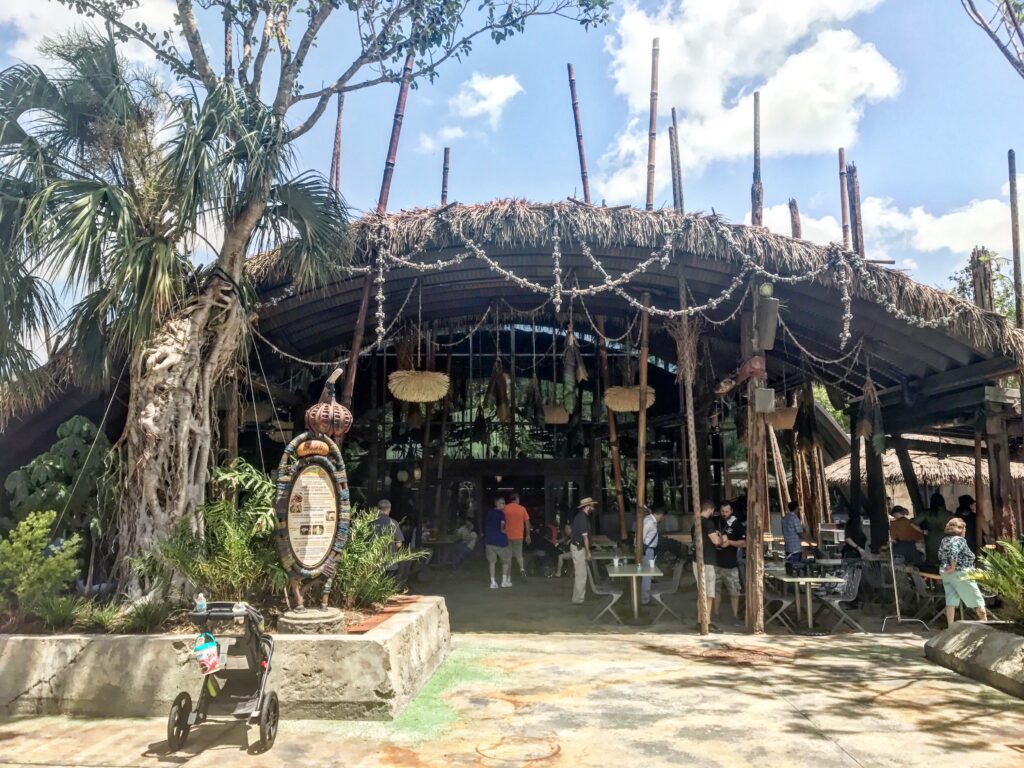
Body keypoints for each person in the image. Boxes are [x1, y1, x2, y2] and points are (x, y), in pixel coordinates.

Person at [937, 516, 987, 627]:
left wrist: (948, 567)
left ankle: (950, 626)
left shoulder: (944, 540)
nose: (965, 531)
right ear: (960, 529)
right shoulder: (959, 540)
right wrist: (953, 566)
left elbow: (940, 555)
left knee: (950, 600)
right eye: (964, 529)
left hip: (946, 573)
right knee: (978, 601)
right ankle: (986, 626)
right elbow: (954, 552)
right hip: (961, 573)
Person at [692, 501, 722, 625]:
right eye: (713, 511)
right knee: (708, 594)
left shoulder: (695, 523)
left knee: (701, 593)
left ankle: (700, 620)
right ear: (710, 509)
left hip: (696, 561)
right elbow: (715, 541)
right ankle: (707, 622)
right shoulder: (708, 523)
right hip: (707, 562)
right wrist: (721, 538)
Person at [714, 501, 744, 622]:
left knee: (734, 592)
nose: (724, 514)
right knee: (715, 591)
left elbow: (744, 543)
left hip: (731, 564)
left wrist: (730, 543)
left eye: (726, 511)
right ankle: (715, 614)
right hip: (715, 563)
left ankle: (734, 615)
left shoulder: (737, 524)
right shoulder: (715, 520)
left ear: (731, 511)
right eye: (722, 511)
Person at [570, 498, 596, 604]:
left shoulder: (581, 517)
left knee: (581, 574)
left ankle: (578, 597)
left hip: (577, 547)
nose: (593, 508)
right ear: (587, 507)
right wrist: (588, 552)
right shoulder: (583, 518)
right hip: (579, 548)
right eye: (592, 506)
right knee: (581, 574)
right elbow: (585, 537)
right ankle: (578, 599)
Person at [919, 493, 952, 571]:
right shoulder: (949, 514)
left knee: (932, 562)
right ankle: (944, 578)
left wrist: (923, 531)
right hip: (945, 538)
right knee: (945, 560)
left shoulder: (927, 513)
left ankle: (934, 580)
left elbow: (912, 523)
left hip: (931, 539)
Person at [640, 506, 666, 605]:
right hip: (647, 551)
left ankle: (644, 598)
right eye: (662, 516)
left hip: (648, 550)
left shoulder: (650, 520)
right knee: (647, 575)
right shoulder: (649, 521)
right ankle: (645, 600)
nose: (662, 519)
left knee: (647, 575)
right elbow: (641, 536)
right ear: (659, 514)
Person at [484, 497, 512, 589]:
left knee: (492, 562)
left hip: (489, 541)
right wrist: (506, 532)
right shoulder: (501, 514)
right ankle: (504, 582)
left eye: (504, 503)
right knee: (506, 561)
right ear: (497, 504)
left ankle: (492, 582)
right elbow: (502, 527)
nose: (504, 505)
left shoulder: (489, 513)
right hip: (500, 542)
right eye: (502, 503)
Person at [502, 492, 531, 579]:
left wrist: (502, 531)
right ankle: (522, 568)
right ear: (517, 499)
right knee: (519, 555)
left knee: (508, 557)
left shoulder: (505, 509)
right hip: (518, 536)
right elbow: (527, 523)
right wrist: (528, 535)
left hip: (507, 536)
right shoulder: (522, 509)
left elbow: (502, 522)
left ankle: (508, 577)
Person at [780, 501, 804, 565]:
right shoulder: (795, 519)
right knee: (796, 567)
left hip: (788, 546)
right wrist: (807, 541)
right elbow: (799, 532)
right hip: (795, 548)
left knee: (790, 566)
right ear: (796, 508)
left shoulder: (784, 518)